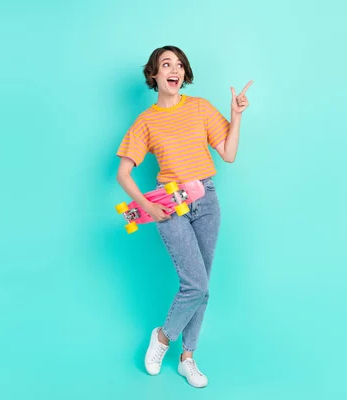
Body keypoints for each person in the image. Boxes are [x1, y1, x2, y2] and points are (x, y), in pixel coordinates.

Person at [116, 45, 252, 388]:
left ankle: (187, 359)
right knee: (196, 284)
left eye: (179, 64)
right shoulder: (146, 121)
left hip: (206, 199)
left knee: (202, 289)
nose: (174, 69)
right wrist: (146, 207)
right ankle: (163, 337)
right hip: (169, 204)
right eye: (166, 64)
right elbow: (123, 173)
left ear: (183, 75)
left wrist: (236, 116)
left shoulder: (201, 108)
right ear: (154, 75)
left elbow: (229, 154)